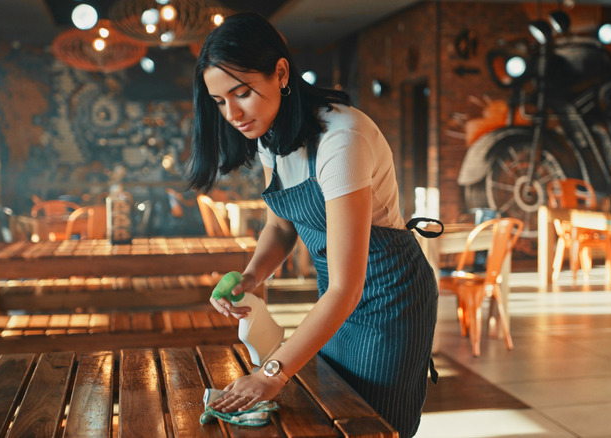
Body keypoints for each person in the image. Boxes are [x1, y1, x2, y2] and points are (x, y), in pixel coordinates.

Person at [187, 12, 439, 437]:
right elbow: (281, 227)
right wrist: (250, 277)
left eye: (242, 92)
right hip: (338, 294)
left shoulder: (342, 139)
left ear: (281, 72)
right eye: (219, 101)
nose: (231, 113)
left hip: (390, 299)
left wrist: (271, 374)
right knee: (334, 412)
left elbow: (348, 286)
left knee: (373, 425)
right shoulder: (271, 136)